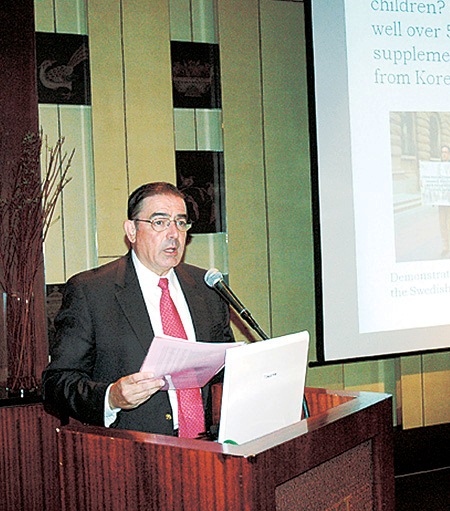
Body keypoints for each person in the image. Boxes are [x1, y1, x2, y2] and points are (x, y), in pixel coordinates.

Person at [42, 182, 234, 436]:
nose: (173, 233)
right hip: (133, 452)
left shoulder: (206, 287)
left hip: (204, 448)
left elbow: (225, 368)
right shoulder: (92, 291)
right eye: (159, 222)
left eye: (180, 222)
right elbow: (56, 384)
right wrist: (111, 397)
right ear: (131, 230)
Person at [438, 145, 450, 257]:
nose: (444, 154)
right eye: (442, 152)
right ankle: (446, 246)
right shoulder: (437, 168)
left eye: (446, 152)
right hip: (441, 202)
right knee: (442, 224)